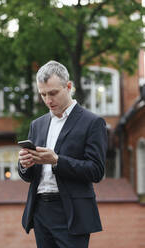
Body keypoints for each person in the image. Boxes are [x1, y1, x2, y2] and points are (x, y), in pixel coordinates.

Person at [18, 60, 107, 248]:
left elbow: (96, 170)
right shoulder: (37, 124)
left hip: (71, 212)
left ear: (68, 87)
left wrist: (57, 160)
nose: (48, 100)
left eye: (53, 93)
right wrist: (24, 165)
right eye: (43, 94)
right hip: (40, 209)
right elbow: (29, 176)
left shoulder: (92, 122)